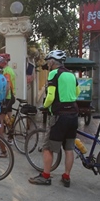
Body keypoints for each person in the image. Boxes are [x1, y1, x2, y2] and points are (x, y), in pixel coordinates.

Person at [28, 50, 80, 187]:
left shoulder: (54, 73)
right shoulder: (71, 74)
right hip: (74, 115)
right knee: (69, 148)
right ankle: (66, 176)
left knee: (47, 148)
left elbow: (50, 96)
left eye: (48, 61)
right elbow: (77, 92)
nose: (47, 64)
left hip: (59, 116)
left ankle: (45, 176)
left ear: (52, 62)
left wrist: (44, 107)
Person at [0, 53, 16, 144]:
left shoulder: (6, 71)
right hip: (11, 96)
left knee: (1, 118)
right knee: (9, 118)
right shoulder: (9, 69)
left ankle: (0, 140)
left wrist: (3, 97)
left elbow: (7, 85)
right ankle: (10, 138)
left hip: (7, 97)